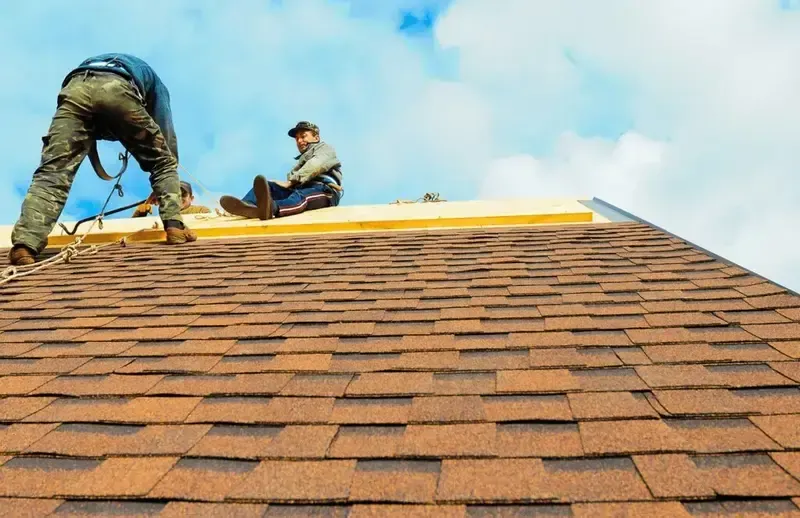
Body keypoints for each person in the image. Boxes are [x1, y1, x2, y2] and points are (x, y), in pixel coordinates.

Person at [8, 53, 197, 266]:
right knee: (164, 162)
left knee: (53, 172)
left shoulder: (100, 63)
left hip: (75, 88)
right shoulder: (155, 84)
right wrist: (165, 187)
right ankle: (175, 227)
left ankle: (25, 244)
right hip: (117, 88)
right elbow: (165, 133)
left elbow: (93, 112)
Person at [219, 121, 342, 220]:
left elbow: (316, 164)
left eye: (303, 136)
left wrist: (291, 181)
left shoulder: (325, 149)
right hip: (301, 187)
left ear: (316, 137)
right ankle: (247, 206)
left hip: (325, 191)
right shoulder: (300, 162)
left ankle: (272, 208)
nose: (299, 141)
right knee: (269, 186)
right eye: (297, 138)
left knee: (301, 197)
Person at [132, 181, 211, 217]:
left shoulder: (201, 210)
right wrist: (141, 213)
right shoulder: (164, 214)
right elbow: (133, 229)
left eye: (183, 194)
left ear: (191, 198)